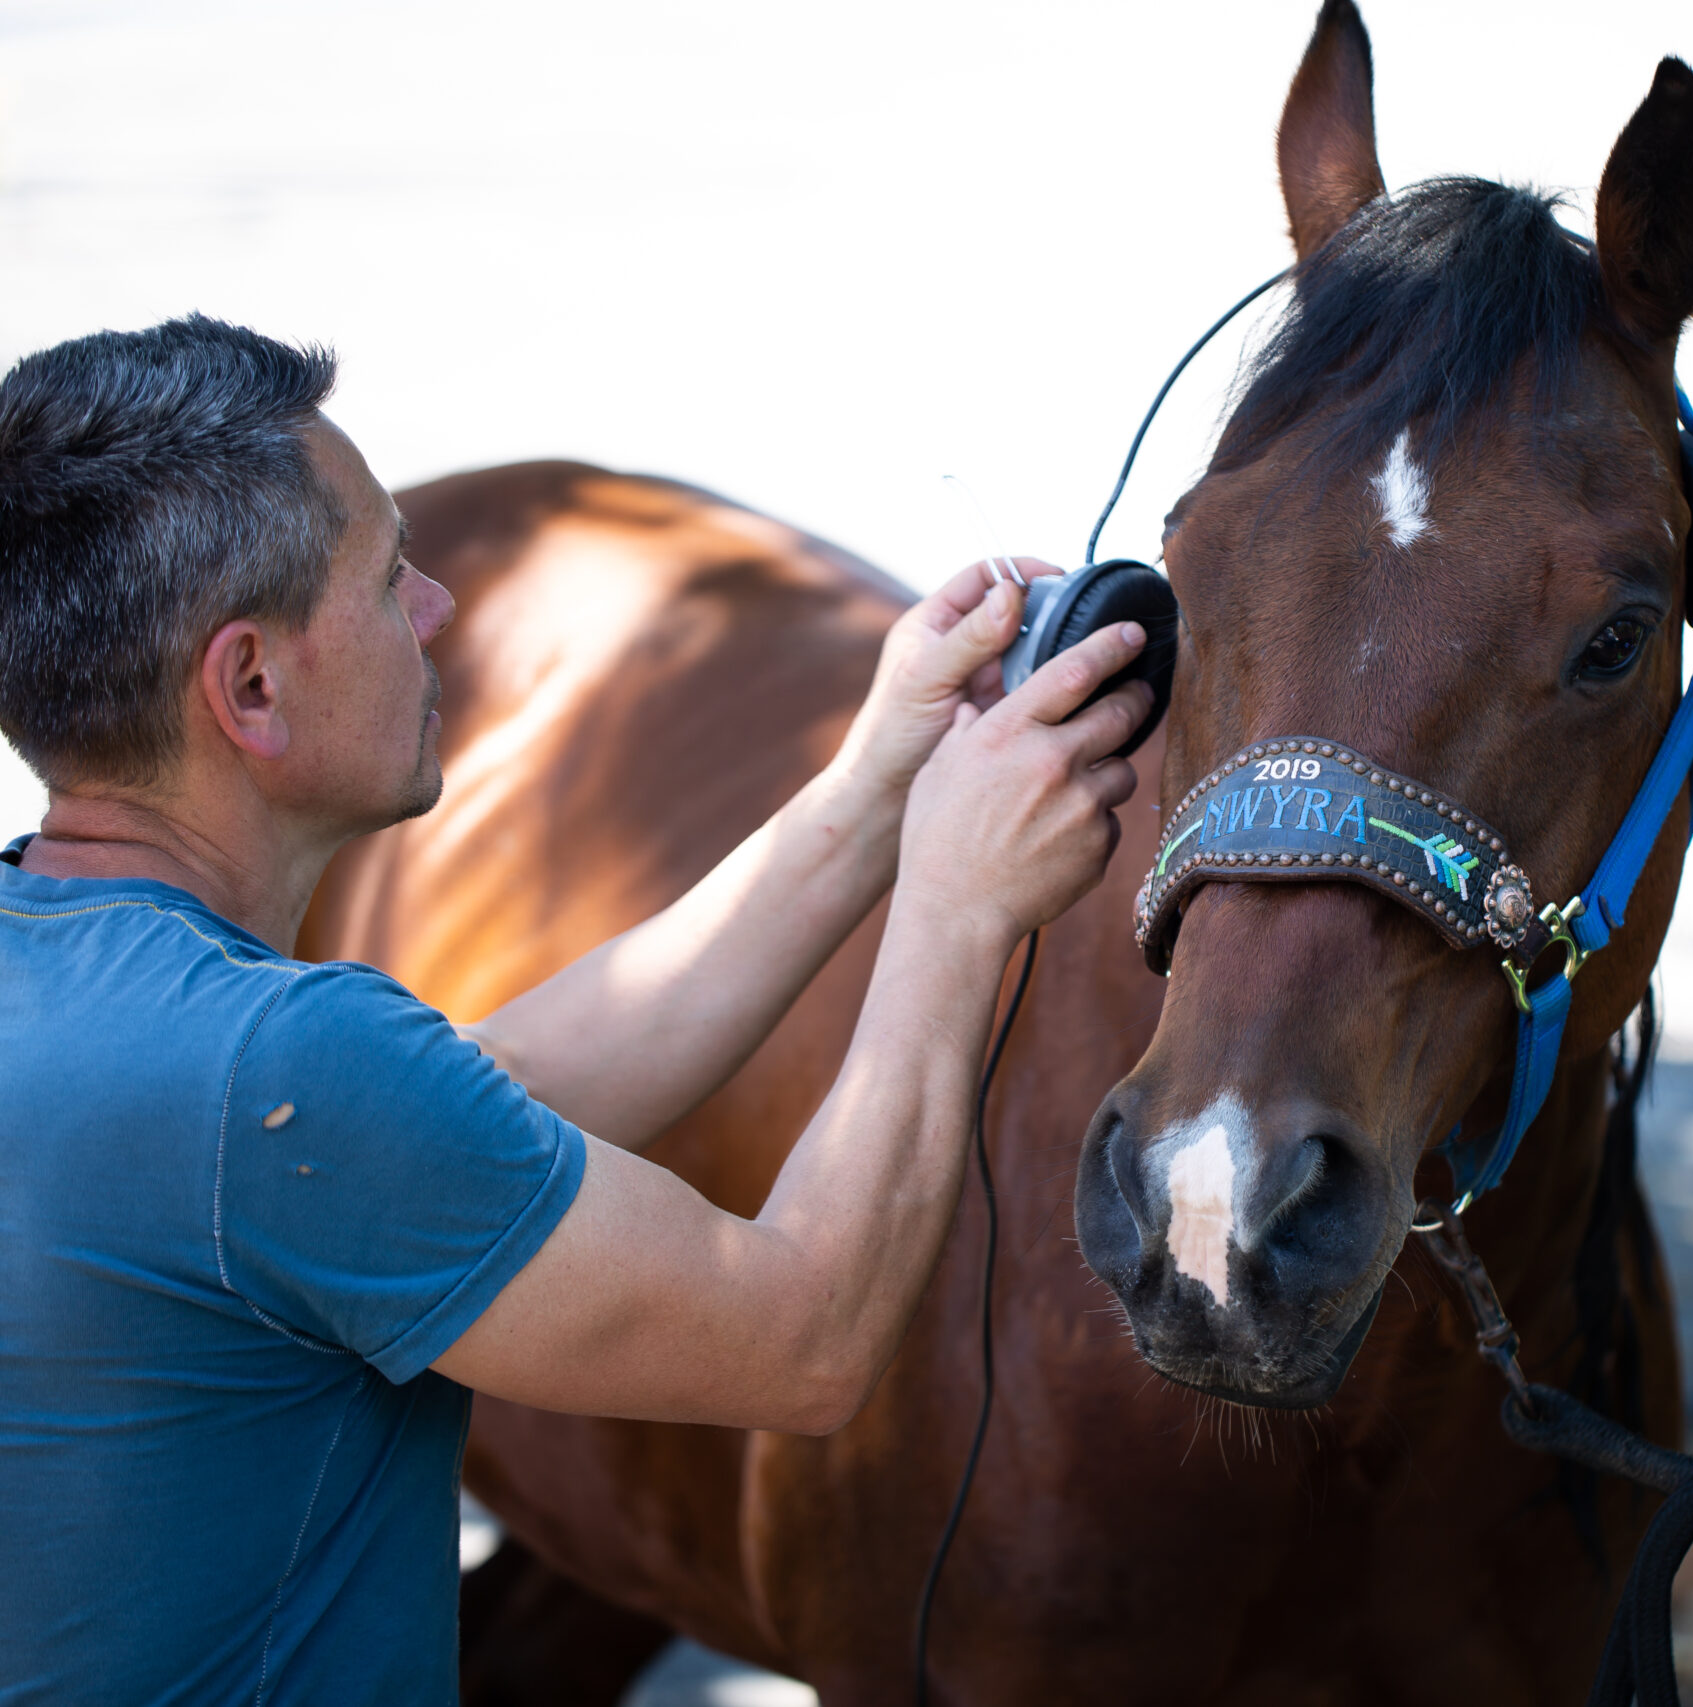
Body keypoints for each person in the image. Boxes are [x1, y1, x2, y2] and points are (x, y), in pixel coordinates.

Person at [0, 316, 1148, 1704]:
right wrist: (961, 909)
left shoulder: (105, 1006)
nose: (438, 608)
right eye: (384, 578)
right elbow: (805, 1334)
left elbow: (498, 1087)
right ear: (251, 686)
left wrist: (876, 787)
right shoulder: (282, 1073)